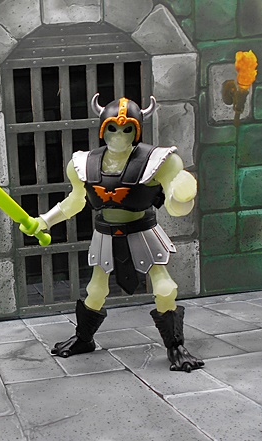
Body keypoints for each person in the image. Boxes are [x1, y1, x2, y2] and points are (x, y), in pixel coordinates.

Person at [22, 94, 203, 373]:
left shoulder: (158, 161)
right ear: (103, 129)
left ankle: (176, 346)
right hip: (105, 233)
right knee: (95, 289)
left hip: (142, 232)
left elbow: (175, 204)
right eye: (113, 128)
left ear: (137, 131)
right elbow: (75, 201)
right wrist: (44, 221)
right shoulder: (84, 163)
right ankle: (83, 339)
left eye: (127, 129)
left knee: (165, 288)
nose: (119, 135)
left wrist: (181, 192)